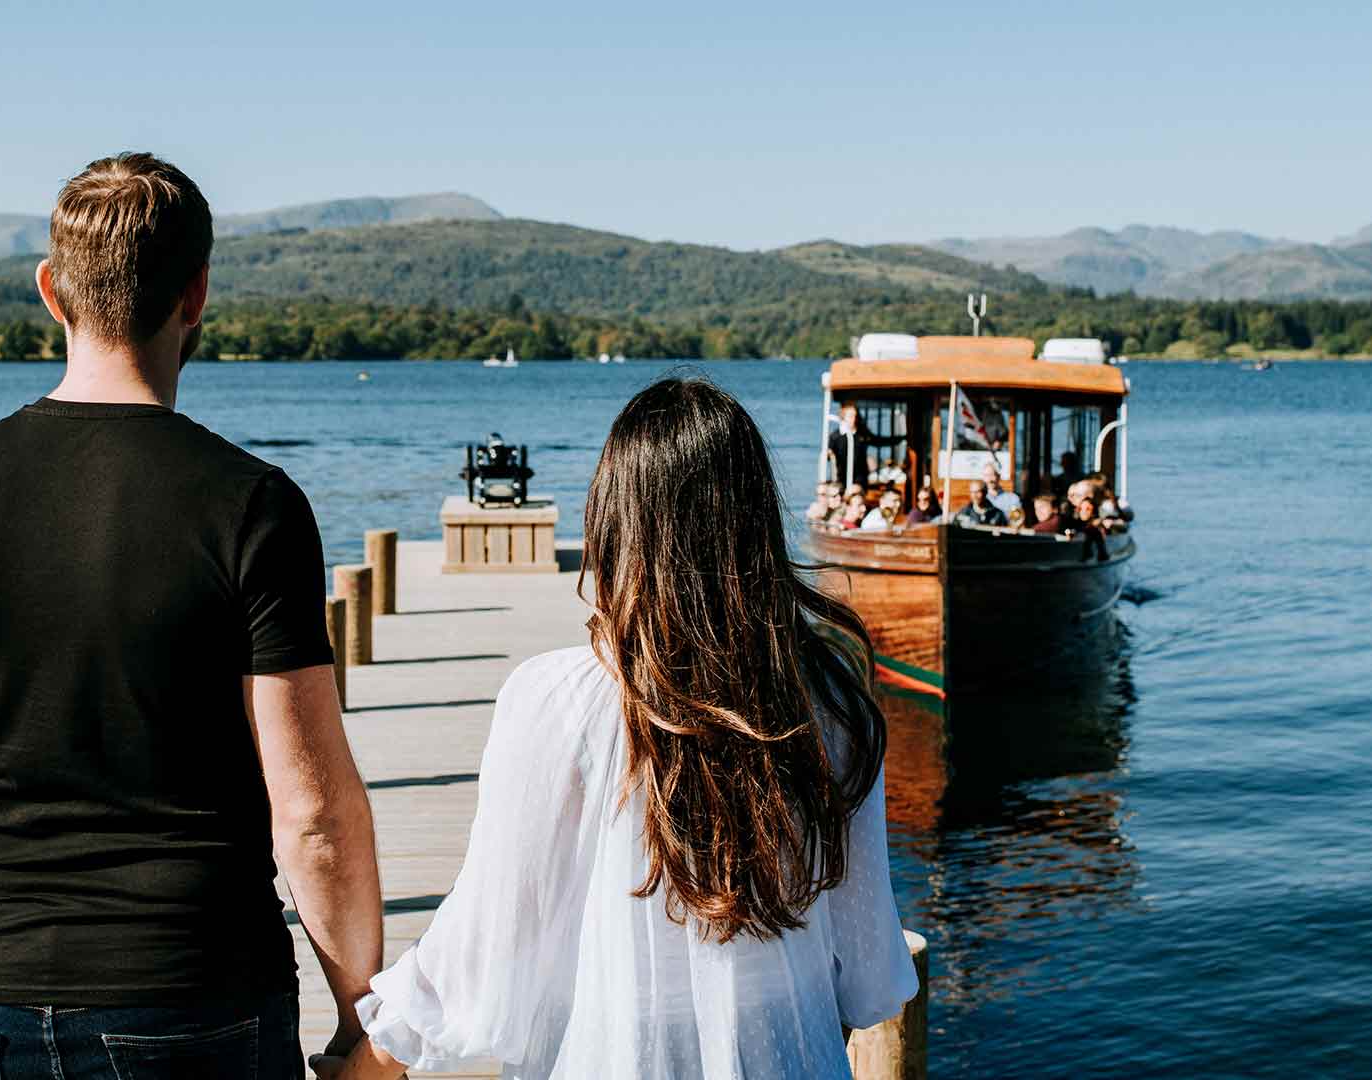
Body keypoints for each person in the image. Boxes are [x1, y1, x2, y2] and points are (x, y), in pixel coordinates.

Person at [0, 153, 382, 1080]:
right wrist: (361, 1022)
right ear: (197, 295)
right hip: (195, 998)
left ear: (51, 293)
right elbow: (312, 815)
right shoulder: (251, 507)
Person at [310, 378, 918, 1079]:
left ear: (613, 518)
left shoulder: (558, 701)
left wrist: (368, 1063)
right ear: (757, 523)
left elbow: (483, 943)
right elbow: (867, 968)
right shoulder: (832, 704)